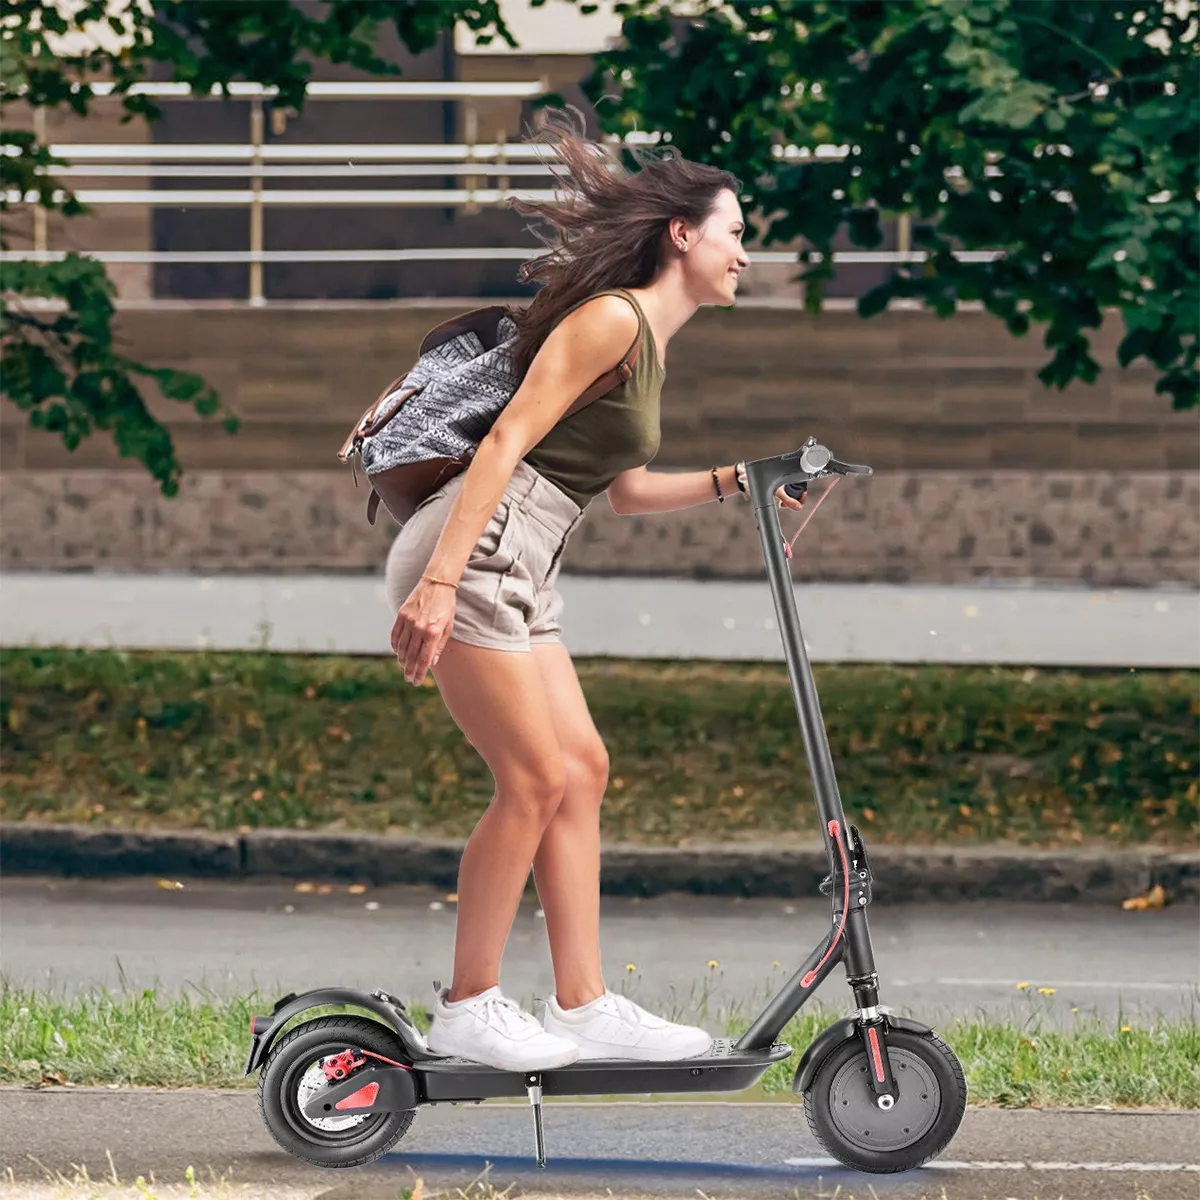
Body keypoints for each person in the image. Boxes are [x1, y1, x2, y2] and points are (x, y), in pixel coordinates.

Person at [384, 107, 806, 1072]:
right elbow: (504, 442)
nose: (746, 252)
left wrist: (741, 478)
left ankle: (581, 1006)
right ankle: (469, 1005)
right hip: (479, 546)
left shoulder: (649, 344)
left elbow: (618, 493)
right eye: (737, 233)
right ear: (683, 233)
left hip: (530, 557)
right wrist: (441, 583)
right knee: (532, 778)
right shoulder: (612, 321)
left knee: (583, 770)